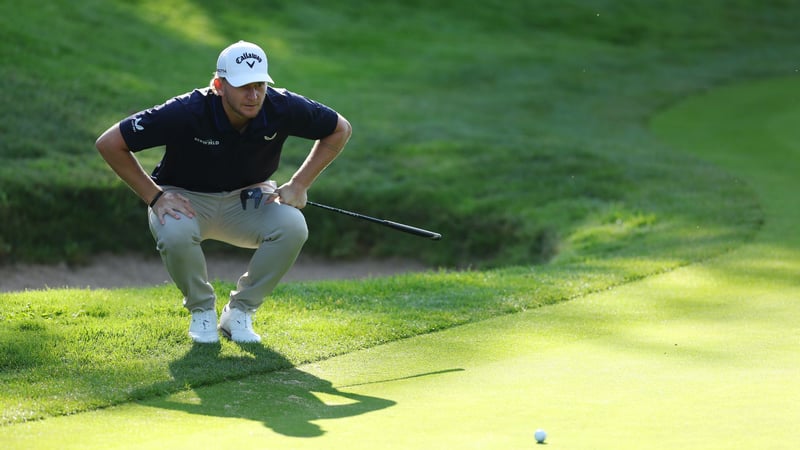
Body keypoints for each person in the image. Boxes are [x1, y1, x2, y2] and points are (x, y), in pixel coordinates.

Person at [95, 41, 351, 344]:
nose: (253, 95)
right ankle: (201, 310)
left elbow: (340, 128)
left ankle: (239, 312)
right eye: (243, 86)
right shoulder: (186, 110)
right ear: (219, 84)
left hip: (249, 201)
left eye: (259, 85)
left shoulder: (281, 106)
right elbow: (110, 143)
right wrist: (156, 196)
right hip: (185, 199)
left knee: (292, 226)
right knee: (175, 232)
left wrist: (300, 183)